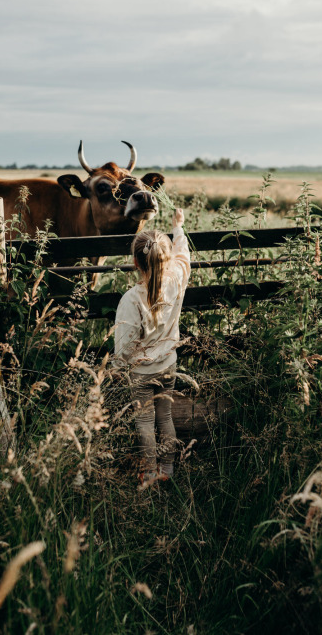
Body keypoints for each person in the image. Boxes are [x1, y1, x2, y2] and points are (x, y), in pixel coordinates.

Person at [114, 208, 191, 485]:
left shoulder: (131, 300)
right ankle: (167, 470)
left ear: (135, 262)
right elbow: (184, 257)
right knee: (165, 417)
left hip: (142, 373)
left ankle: (149, 473)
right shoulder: (177, 280)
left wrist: (119, 366)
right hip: (169, 365)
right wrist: (178, 227)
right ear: (167, 259)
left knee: (145, 423)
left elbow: (123, 347)